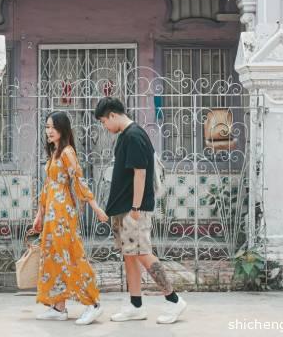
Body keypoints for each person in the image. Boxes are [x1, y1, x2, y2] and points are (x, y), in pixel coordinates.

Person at [94, 97, 187, 325]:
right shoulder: (126, 135)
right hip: (124, 208)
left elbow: (141, 173)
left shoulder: (134, 136)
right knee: (130, 255)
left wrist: (136, 207)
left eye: (104, 121)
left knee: (143, 253)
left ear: (113, 115)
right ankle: (136, 305)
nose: (105, 126)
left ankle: (174, 300)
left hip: (133, 209)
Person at [33, 111, 108, 326]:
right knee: (54, 257)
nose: (48, 131)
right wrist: (39, 214)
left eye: (52, 127)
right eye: (47, 127)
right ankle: (59, 307)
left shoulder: (67, 152)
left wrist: (96, 208)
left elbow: (79, 181)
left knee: (71, 256)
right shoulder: (55, 153)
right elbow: (47, 186)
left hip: (63, 213)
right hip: (51, 213)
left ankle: (93, 304)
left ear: (62, 129)